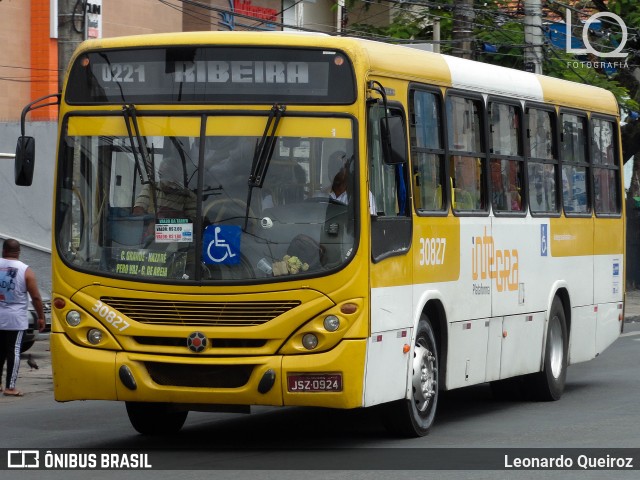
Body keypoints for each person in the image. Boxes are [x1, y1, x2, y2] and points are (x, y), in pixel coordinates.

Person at [0, 239, 46, 397]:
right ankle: (10, 387)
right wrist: (41, 317)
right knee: (13, 352)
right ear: (18, 252)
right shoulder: (25, 270)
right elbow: (36, 297)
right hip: (15, 319)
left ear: (3, 250)